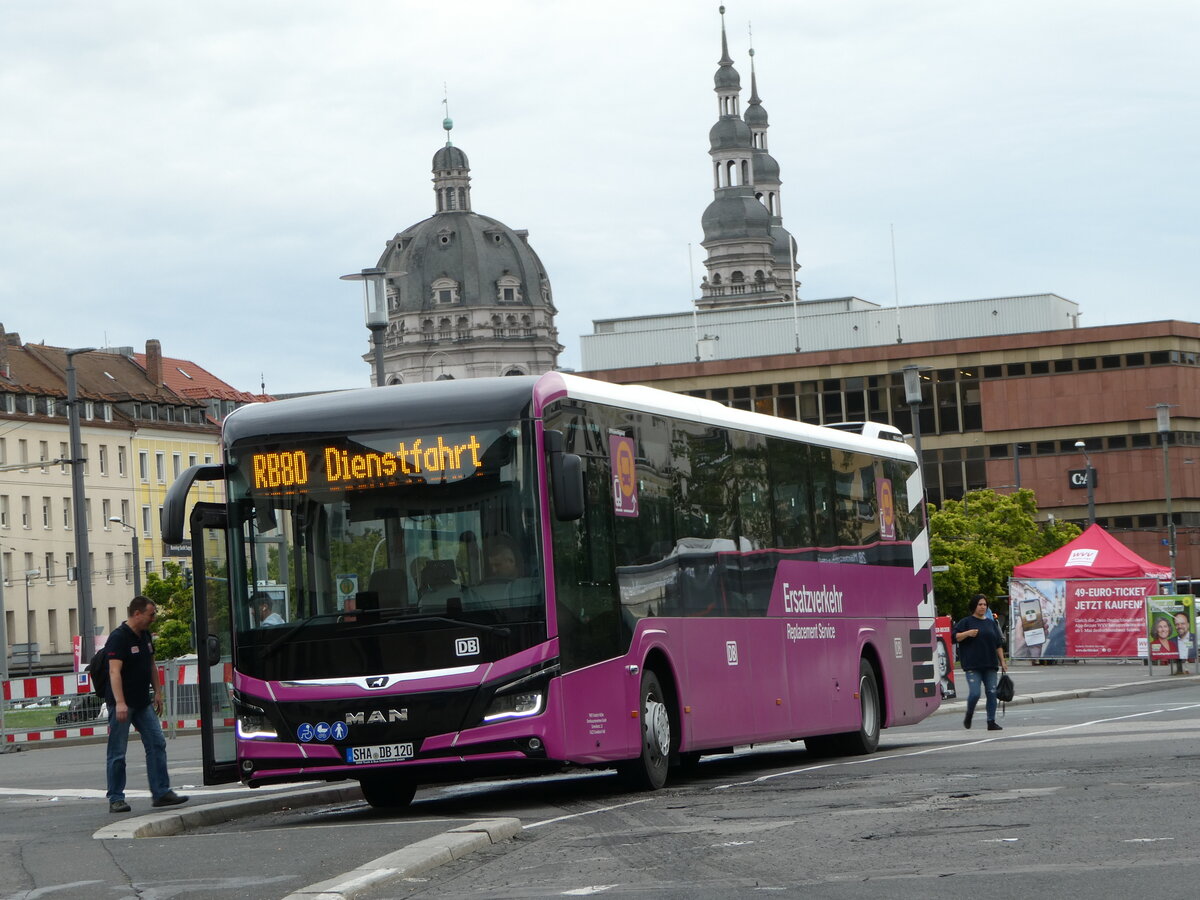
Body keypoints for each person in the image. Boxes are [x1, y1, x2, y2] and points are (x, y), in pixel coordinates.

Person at [103, 596, 189, 813]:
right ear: (137, 613)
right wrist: (120, 702)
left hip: (142, 702)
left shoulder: (145, 636)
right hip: (122, 704)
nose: (154, 619)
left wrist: (158, 692)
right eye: (151, 614)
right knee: (118, 752)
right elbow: (114, 672)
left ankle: (161, 793)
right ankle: (116, 798)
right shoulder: (118, 638)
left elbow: (150, 664)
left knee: (157, 743)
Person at [954, 593, 1007, 731]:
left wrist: (1002, 661)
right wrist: (967, 633)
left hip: (990, 664)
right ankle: (969, 713)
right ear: (974, 606)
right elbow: (954, 637)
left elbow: (998, 644)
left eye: (985, 605)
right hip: (973, 665)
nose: (983, 607)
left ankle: (991, 721)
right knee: (975, 693)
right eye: (980, 604)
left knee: (992, 692)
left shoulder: (991, 623)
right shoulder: (966, 622)